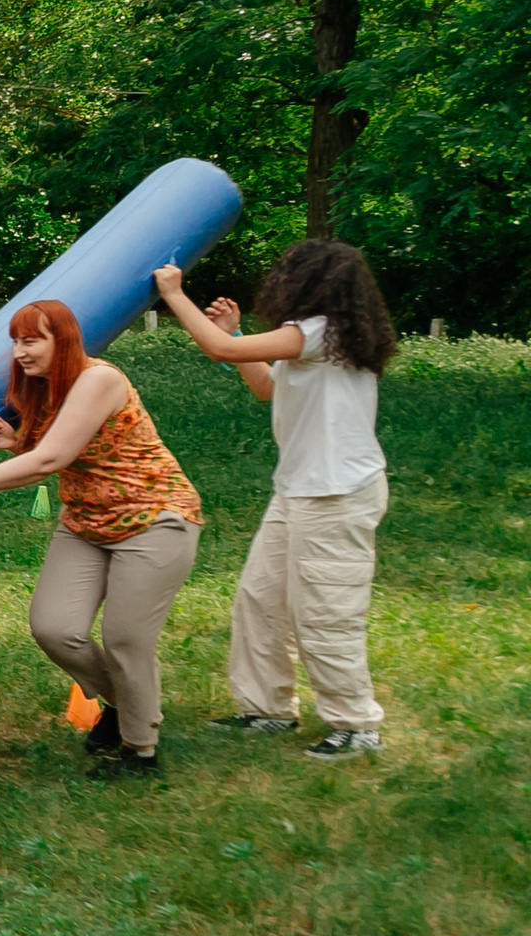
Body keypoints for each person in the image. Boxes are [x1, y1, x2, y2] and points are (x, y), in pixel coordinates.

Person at [0, 301, 202, 777]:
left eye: (32, 340)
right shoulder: (42, 388)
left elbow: (50, 460)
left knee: (125, 639)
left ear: (65, 340)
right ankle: (127, 703)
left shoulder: (100, 379)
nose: (20, 351)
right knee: (54, 627)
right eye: (16, 341)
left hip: (154, 519)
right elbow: (61, 449)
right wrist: (19, 443)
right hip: (85, 522)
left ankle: (140, 751)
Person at [154, 241, 396, 761]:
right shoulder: (315, 338)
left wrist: (175, 296)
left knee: (326, 613)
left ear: (309, 284)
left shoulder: (322, 332)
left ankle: (356, 724)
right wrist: (236, 334)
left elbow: (220, 353)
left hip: (336, 494)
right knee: (260, 600)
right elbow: (264, 385)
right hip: (299, 491)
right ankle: (266, 710)